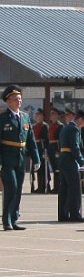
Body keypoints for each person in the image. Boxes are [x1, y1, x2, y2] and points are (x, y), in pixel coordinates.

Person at [1, 86, 40, 230]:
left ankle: (14, 218)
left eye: (19, 99)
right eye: (15, 99)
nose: (18, 101)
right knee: (11, 187)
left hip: (21, 159)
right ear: (8, 101)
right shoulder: (3, 118)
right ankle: (6, 220)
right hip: (7, 159)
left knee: (18, 190)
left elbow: (31, 140)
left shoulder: (24, 117)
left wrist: (36, 158)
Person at [57, 110, 84, 223]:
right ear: (80, 119)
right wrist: (82, 163)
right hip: (70, 161)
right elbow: (75, 147)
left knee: (64, 188)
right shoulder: (74, 129)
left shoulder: (65, 127)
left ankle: (63, 214)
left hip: (63, 159)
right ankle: (75, 214)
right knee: (75, 188)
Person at [31, 109, 48, 193]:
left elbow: (47, 140)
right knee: (36, 169)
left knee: (43, 169)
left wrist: (46, 151)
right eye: (37, 115)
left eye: (39, 115)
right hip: (35, 148)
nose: (38, 117)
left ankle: (44, 186)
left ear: (42, 117)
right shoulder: (33, 126)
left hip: (42, 149)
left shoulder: (45, 126)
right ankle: (38, 186)